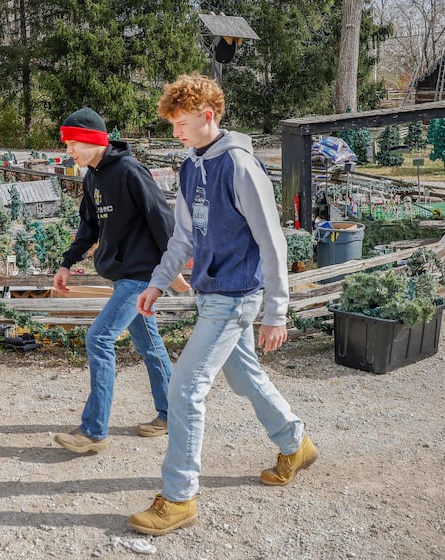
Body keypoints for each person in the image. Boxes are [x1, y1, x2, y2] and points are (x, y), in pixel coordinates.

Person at [129, 75, 318, 535]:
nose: (176, 131)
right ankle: (296, 444)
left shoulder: (239, 166)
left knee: (184, 389)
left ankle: (179, 497)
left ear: (208, 116)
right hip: (210, 292)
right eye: (173, 124)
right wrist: (158, 283)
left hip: (235, 298)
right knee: (243, 375)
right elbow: (183, 237)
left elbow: (272, 242)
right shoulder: (190, 166)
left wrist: (276, 312)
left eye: (182, 123)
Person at [52, 107, 189, 454]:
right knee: (149, 344)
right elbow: (89, 227)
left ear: (92, 141)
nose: (69, 151)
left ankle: (93, 431)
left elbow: (160, 216)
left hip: (141, 275)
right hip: (122, 274)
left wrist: (172, 268)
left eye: (72, 144)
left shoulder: (129, 170)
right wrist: (67, 263)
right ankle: (173, 414)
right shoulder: (92, 178)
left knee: (99, 339)